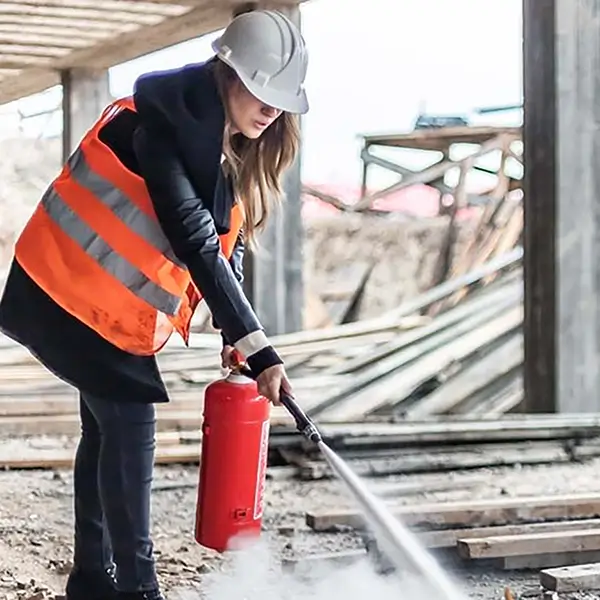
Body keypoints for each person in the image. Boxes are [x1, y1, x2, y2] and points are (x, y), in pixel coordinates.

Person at [0, 9, 309, 600]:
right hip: (65, 292)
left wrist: (230, 328)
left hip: (97, 305)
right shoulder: (162, 128)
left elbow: (226, 238)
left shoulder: (214, 138)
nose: (271, 108)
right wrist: (257, 343)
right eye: (260, 88)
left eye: (281, 98)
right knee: (130, 423)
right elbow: (192, 237)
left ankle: (93, 577)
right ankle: (138, 589)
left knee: (106, 429)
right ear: (227, 72)